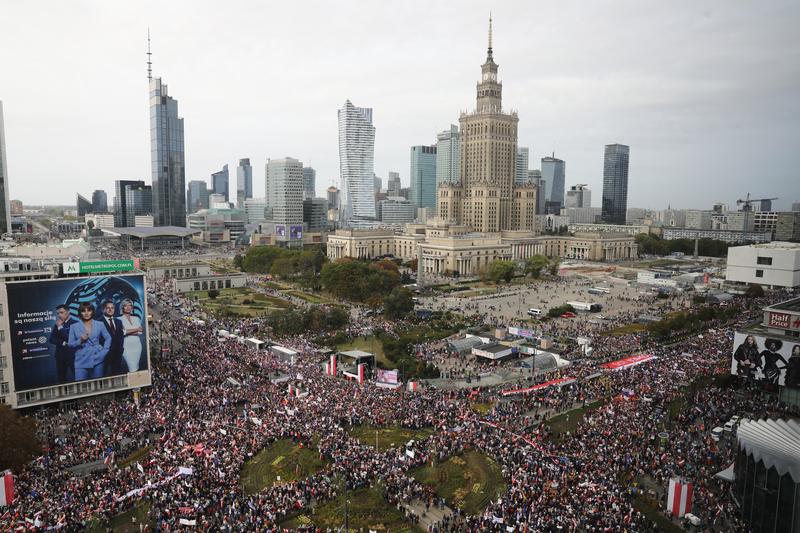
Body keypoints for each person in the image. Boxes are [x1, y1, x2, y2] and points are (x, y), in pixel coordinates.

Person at [68, 302, 112, 381]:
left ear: (92, 311)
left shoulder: (100, 324)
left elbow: (108, 338)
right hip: (81, 360)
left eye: (89, 310)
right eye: (83, 311)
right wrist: (80, 340)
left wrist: (104, 352)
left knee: (98, 385)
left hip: (98, 358)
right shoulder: (74, 326)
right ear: (80, 313)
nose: (86, 313)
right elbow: (70, 344)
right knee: (81, 386)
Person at [48, 304, 77, 383]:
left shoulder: (76, 323)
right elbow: (51, 339)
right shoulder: (57, 324)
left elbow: (70, 339)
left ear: (68, 312)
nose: (59, 315)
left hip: (73, 356)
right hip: (60, 356)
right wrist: (63, 343)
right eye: (57, 313)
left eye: (61, 312)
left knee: (78, 377)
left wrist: (60, 328)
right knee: (61, 379)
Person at [101, 300, 125, 376]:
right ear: (103, 309)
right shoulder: (98, 322)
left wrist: (121, 349)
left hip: (117, 354)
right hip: (104, 355)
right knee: (103, 376)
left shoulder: (118, 322)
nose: (110, 309)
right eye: (108, 308)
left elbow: (121, 337)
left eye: (112, 308)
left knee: (117, 375)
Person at [120, 298, 144, 372]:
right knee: (132, 368)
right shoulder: (119, 319)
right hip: (126, 346)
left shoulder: (136, 318)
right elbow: (123, 332)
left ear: (132, 308)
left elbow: (141, 332)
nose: (128, 307)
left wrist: (129, 331)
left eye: (130, 305)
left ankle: (136, 381)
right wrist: (136, 329)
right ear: (122, 307)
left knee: (136, 367)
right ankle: (135, 382)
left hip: (137, 345)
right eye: (125, 306)